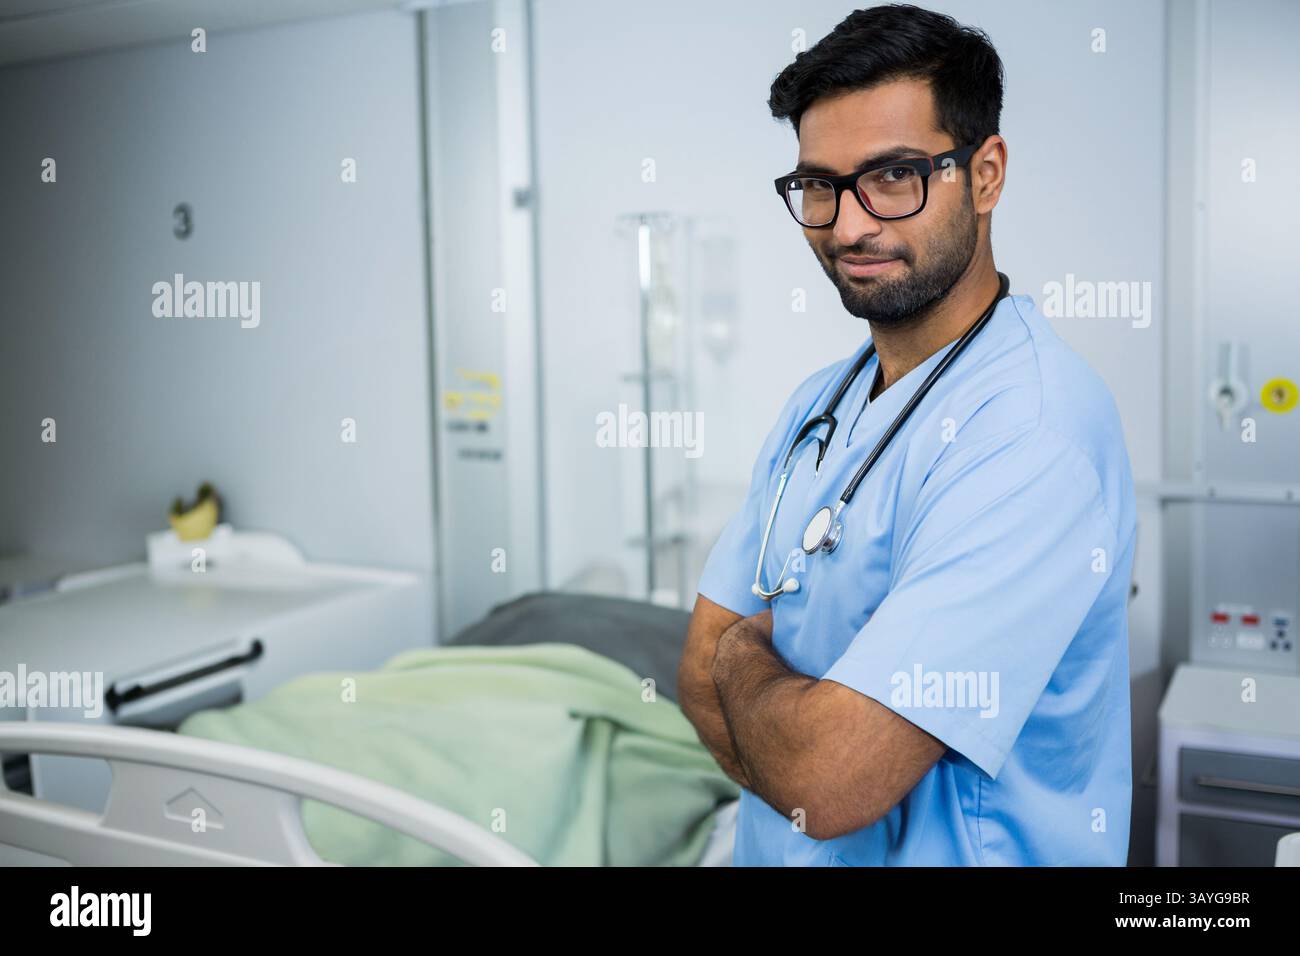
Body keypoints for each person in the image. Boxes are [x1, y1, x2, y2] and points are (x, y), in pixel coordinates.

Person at [677, 3, 1135, 866]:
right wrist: (767, 694)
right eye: (820, 185)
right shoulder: (819, 404)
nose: (849, 225)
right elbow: (691, 675)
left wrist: (744, 654)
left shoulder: (1033, 437)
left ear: (987, 173)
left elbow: (825, 778)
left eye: (893, 177)